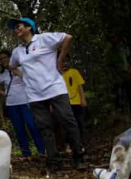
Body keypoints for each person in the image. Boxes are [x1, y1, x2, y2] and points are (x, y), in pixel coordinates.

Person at [7, 17, 84, 171]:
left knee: (68, 121)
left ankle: (78, 156)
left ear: (29, 28)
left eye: (19, 26)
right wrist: (24, 77)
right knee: (44, 127)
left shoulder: (44, 39)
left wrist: (60, 60)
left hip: (55, 88)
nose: (16, 29)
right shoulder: (17, 51)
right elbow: (12, 66)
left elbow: (67, 37)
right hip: (35, 95)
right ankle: (53, 160)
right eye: (14, 28)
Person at [0, 49, 45, 157]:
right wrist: (3, 92)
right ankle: (26, 154)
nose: (3, 60)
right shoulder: (2, 74)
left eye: (5, 57)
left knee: (32, 126)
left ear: (10, 58)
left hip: (25, 102)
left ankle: (41, 151)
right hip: (11, 104)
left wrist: (16, 72)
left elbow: (31, 80)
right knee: (19, 129)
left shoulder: (22, 68)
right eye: (1, 59)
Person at [60, 56, 86, 141]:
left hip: (76, 102)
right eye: (62, 62)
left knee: (79, 123)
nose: (64, 64)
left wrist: (83, 99)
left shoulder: (74, 72)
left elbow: (80, 86)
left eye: (66, 61)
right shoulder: (58, 75)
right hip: (65, 103)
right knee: (66, 124)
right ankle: (69, 144)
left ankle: (81, 142)